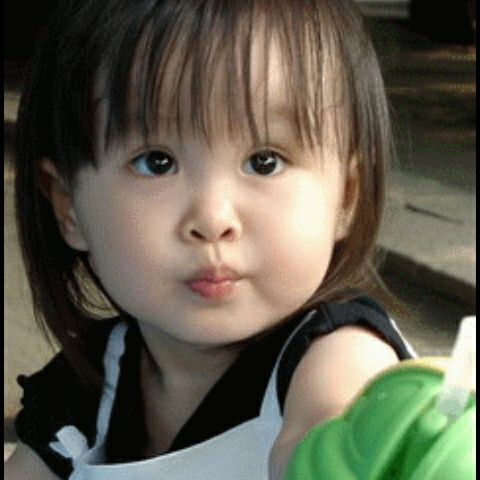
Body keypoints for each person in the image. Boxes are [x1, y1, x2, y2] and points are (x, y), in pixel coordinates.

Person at [5, 0, 414, 479]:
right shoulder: (91, 385)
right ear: (68, 206)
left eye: (265, 161)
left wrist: (345, 450)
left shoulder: (337, 356)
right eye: (156, 162)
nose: (213, 219)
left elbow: (335, 441)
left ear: (344, 196)